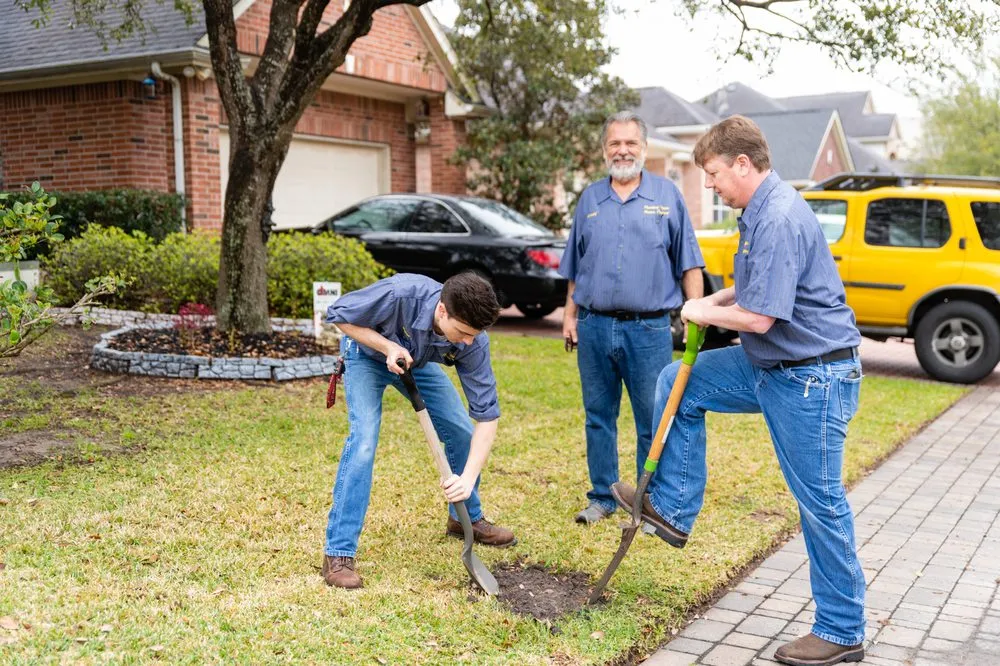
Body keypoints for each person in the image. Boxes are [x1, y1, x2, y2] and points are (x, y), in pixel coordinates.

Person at [612, 115, 865, 666]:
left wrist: (703, 308)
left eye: (714, 173)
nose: (709, 185)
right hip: (775, 367)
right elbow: (750, 291)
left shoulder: (777, 217)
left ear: (744, 165)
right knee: (679, 382)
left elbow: (764, 315)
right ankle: (674, 510)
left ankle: (843, 630)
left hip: (811, 378)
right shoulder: (760, 211)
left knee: (819, 503)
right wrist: (717, 301)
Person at [321, 272, 516, 589]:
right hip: (366, 353)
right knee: (365, 441)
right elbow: (340, 315)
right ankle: (338, 553)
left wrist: (465, 480)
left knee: (460, 429)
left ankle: (464, 517)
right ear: (442, 310)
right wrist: (387, 346)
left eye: (473, 335)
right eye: (463, 332)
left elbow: (487, 417)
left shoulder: (473, 340)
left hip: (417, 361)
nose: (468, 342)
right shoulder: (400, 294)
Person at [560, 110, 705, 525]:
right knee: (598, 417)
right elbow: (576, 265)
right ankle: (603, 497)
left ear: (644, 148)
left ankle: (646, 500)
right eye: (614, 144)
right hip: (593, 326)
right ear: (605, 150)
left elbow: (689, 264)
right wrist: (569, 315)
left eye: (630, 143)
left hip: (649, 329)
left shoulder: (667, 195)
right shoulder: (589, 199)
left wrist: (694, 315)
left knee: (651, 418)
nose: (622, 150)